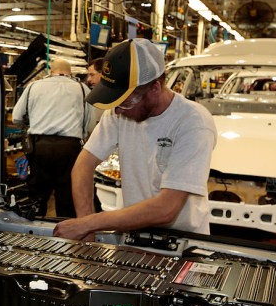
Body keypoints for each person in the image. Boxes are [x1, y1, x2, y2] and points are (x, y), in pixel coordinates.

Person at [53, 38, 217, 242]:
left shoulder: (192, 122)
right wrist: (87, 230)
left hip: (183, 243)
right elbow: (84, 164)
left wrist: (89, 223)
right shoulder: (119, 113)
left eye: (127, 101)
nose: (119, 110)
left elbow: (166, 209)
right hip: (134, 236)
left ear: (155, 88)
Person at [11, 57, 97, 217]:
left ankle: (34, 230)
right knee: (67, 196)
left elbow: (17, 117)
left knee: (37, 195)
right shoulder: (82, 88)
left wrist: (33, 123)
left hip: (40, 146)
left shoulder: (34, 87)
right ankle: (66, 234)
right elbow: (90, 123)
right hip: (69, 148)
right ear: (70, 73)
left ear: (51, 72)